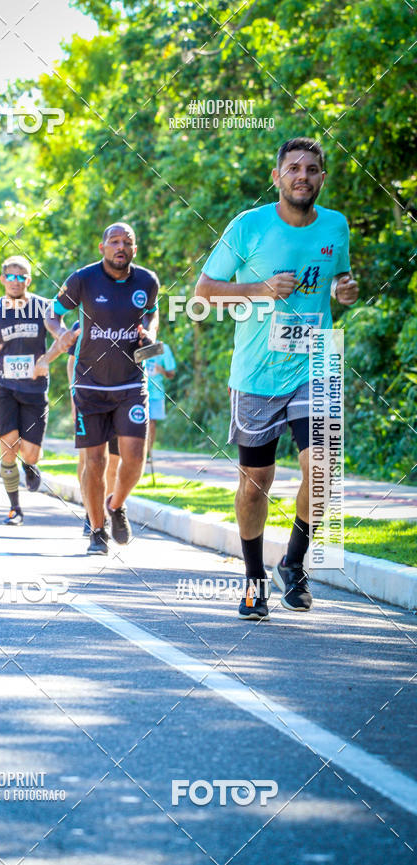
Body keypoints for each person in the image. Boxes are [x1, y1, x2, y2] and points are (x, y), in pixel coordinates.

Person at [195, 137, 358, 620]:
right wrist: (260, 289)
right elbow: (204, 293)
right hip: (256, 373)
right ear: (277, 177)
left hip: (316, 362)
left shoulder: (336, 225)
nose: (302, 176)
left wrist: (344, 291)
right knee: (255, 482)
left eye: (312, 169)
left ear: (322, 179)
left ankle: (294, 563)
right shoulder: (248, 227)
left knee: (324, 468)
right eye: (293, 168)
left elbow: (338, 283)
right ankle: (252, 580)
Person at [45, 222, 160, 554]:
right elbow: (51, 314)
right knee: (94, 462)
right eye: (114, 241)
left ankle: (117, 504)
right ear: (102, 247)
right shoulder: (83, 279)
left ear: (134, 249)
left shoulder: (147, 281)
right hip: (90, 384)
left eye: (127, 242)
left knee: (135, 456)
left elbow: (152, 314)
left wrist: (149, 333)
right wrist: (60, 333)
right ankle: (97, 531)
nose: (120, 246)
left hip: (131, 382)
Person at [0, 255, 51, 525]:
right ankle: (15, 508)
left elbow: (61, 338)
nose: (16, 281)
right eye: (10, 276)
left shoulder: (43, 307)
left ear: (28, 279)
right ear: (3, 279)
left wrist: (46, 361)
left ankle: (30, 465)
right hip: (3, 385)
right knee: (8, 446)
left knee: (30, 452)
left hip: (35, 387)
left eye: (21, 276)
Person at [33, 321, 120, 535]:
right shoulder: (83, 322)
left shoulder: (130, 314)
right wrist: (75, 396)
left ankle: (106, 511)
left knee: (114, 463)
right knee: (90, 459)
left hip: (122, 396)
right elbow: (72, 362)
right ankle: (92, 513)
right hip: (89, 399)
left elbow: (143, 353)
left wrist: (152, 346)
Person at [145, 343, 176, 455]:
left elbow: (171, 373)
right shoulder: (135, 342)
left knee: (151, 422)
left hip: (155, 393)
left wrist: (161, 370)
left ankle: (148, 453)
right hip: (135, 391)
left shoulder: (163, 348)